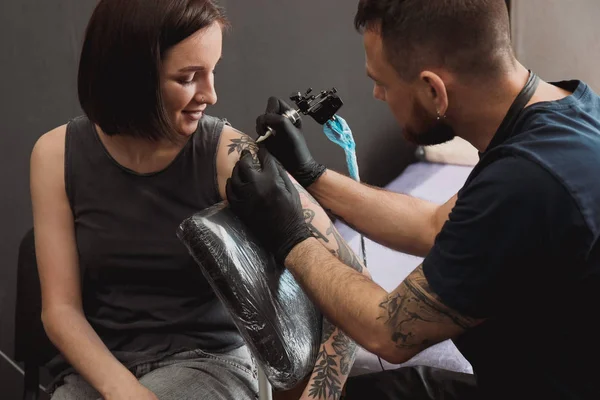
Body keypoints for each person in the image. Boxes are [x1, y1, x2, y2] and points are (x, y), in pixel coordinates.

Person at [226, 0, 600, 399]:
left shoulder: (526, 181)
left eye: (383, 83)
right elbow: (435, 226)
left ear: (432, 90)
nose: (376, 94)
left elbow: (387, 331)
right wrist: (310, 175)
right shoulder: (569, 111)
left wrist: (289, 236)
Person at [30, 0, 367, 399]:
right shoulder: (54, 155)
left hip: (211, 362)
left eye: (212, 71)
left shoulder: (228, 155)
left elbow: (351, 284)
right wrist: (126, 392)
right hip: (99, 366)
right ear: (131, 77)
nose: (210, 94)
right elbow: (60, 311)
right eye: (189, 77)